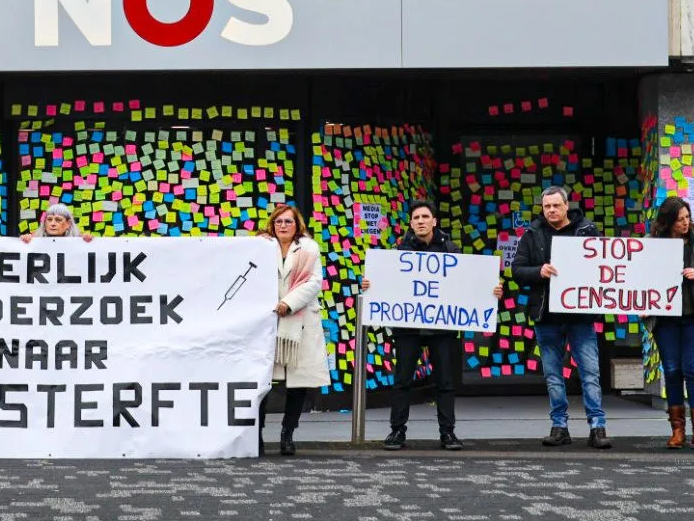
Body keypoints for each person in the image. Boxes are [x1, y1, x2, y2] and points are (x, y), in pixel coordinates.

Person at [364, 200, 503, 452]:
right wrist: (372, 286)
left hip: (442, 328)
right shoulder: (399, 252)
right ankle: (397, 432)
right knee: (402, 380)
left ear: (434, 221)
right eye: (416, 217)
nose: (420, 221)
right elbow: (389, 284)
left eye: (425, 216)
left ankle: (447, 433)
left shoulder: (452, 250)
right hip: (408, 327)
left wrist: (490, 291)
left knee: (445, 382)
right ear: (411, 223)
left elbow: (468, 284)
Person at [510, 186, 611, 449]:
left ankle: (597, 427)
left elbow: (605, 267)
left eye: (556, 205)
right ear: (542, 208)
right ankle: (559, 426)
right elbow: (517, 270)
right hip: (547, 316)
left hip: (580, 316)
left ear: (567, 206)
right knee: (554, 375)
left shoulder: (587, 232)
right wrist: (538, 271)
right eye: (547, 206)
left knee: (590, 372)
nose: (552, 210)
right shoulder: (531, 234)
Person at [642, 196, 694, 452]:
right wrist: (641, 305)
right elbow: (638, 278)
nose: (685, 223)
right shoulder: (652, 245)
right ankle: (677, 431)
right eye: (680, 220)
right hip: (665, 319)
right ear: (667, 222)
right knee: (672, 370)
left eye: (687, 217)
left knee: (693, 369)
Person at [261, 204, 331, 456]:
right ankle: (257, 434)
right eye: (278, 222)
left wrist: (288, 303)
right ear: (272, 224)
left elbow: (314, 282)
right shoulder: (262, 247)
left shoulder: (309, 249)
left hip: (298, 319)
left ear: (297, 224)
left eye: (288, 222)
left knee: (297, 382)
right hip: (268, 320)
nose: (283, 226)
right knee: (262, 379)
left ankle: (287, 434)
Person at [21, 202, 94, 242]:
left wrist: (88, 240)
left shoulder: (79, 239)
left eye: (58, 220)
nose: (52, 224)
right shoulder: (34, 238)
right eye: (49, 219)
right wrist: (25, 241)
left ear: (68, 223)